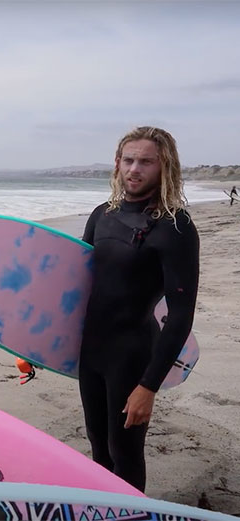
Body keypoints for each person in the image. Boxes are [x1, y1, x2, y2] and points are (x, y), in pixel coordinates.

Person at [79, 126, 199, 492]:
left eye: (145, 162)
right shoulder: (102, 215)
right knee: (99, 447)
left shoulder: (175, 227)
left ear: (165, 167)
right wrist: (31, 344)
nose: (134, 169)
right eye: (128, 160)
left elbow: (180, 316)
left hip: (132, 355)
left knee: (125, 451)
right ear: (117, 164)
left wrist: (148, 386)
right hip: (92, 353)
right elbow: (72, 287)